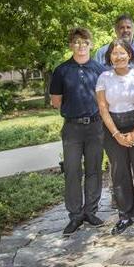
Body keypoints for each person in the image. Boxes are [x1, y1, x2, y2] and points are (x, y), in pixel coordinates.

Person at [49, 27, 107, 236]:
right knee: (72, 171)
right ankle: (75, 216)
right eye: (76, 42)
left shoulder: (100, 70)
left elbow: (105, 99)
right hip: (72, 128)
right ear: (70, 45)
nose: (81, 46)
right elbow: (56, 101)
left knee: (94, 170)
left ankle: (90, 211)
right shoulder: (61, 70)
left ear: (91, 45)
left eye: (84, 42)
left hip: (95, 126)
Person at [96, 39, 134, 234]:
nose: (118, 56)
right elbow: (103, 108)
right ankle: (125, 215)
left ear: (130, 54)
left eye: (122, 53)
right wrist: (116, 134)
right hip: (113, 127)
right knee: (119, 173)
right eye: (114, 53)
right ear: (109, 56)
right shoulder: (104, 77)